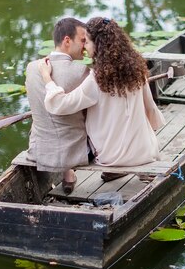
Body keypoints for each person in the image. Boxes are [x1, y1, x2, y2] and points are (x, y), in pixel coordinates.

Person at [38, 17, 165, 180]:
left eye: (87, 42)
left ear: (98, 45)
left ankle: (112, 169)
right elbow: (151, 109)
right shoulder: (137, 70)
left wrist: (47, 77)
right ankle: (138, 167)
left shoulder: (96, 79)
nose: (84, 46)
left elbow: (60, 104)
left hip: (111, 157)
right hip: (146, 152)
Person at [26, 17, 89, 193]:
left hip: (39, 151)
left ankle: (68, 176)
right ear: (67, 41)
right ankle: (109, 172)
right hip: (74, 153)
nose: (85, 46)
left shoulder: (32, 67)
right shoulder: (81, 71)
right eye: (83, 40)